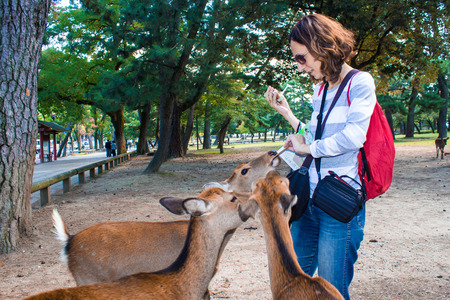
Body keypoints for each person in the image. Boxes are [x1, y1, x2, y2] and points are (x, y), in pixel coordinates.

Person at [265, 14, 376, 300]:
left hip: (339, 204)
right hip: (308, 201)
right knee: (292, 286)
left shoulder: (359, 83)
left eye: (302, 58)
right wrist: (287, 114)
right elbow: (316, 137)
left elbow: (353, 138)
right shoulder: (320, 89)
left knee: (332, 292)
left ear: (322, 45)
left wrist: (308, 148)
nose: (300, 67)